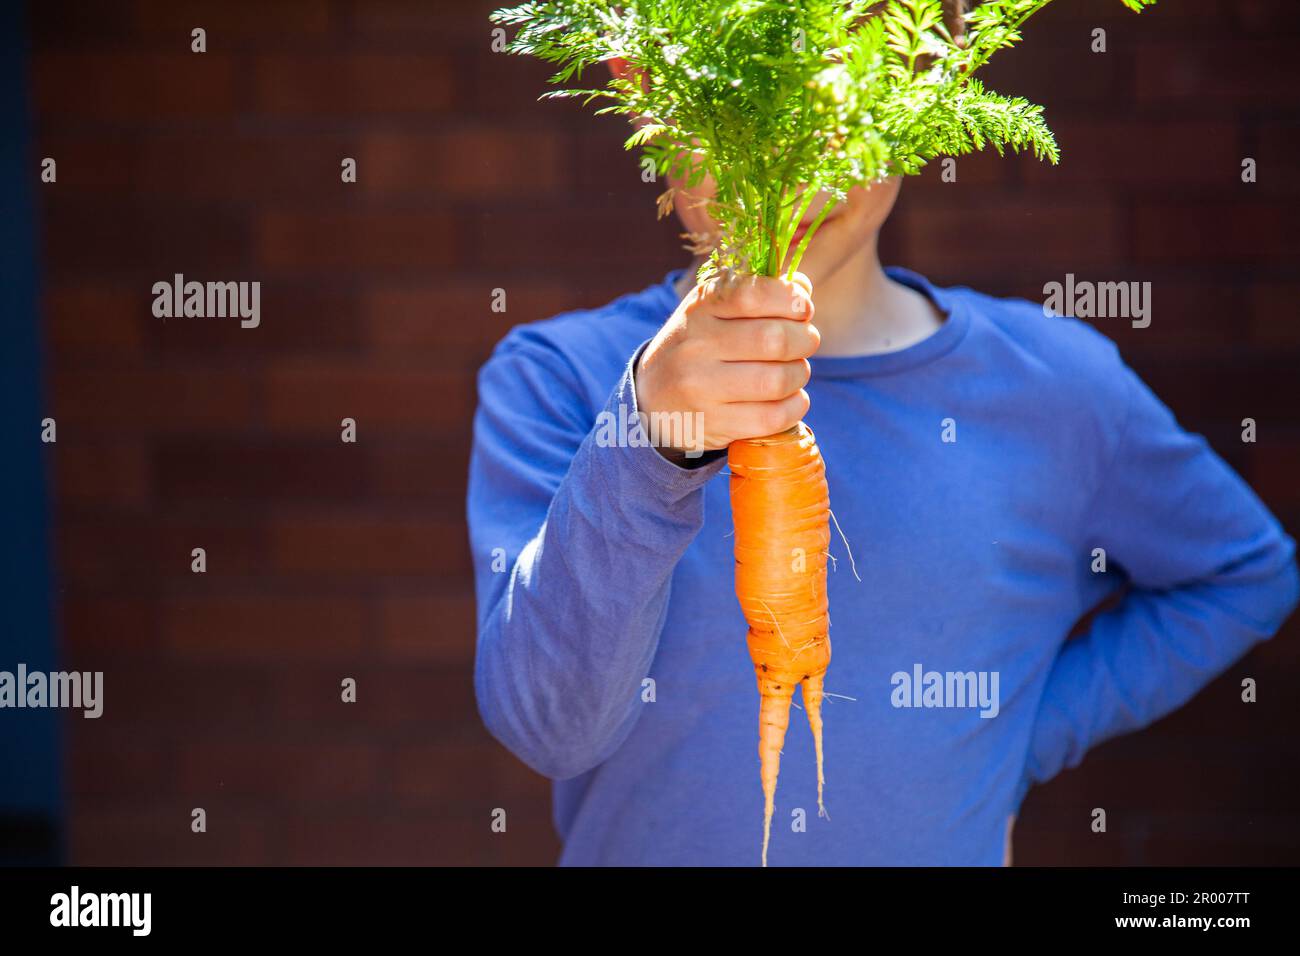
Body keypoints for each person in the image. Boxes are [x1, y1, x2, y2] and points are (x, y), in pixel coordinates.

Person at [466, 72, 1298, 868]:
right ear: (641, 86)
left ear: (920, 88)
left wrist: (1018, 731)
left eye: (826, 106)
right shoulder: (561, 379)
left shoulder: (1057, 389)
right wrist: (648, 438)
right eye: (735, 106)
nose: (784, 167)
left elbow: (1244, 573)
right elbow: (549, 729)